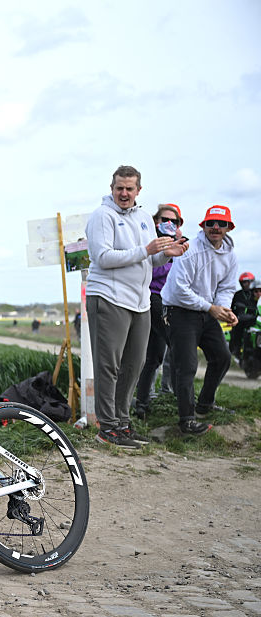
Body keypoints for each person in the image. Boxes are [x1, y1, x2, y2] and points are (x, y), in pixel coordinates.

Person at [85, 165, 186, 449]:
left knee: (135, 365)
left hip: (139, 301)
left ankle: (123, 423)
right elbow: (102, 257)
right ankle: (107, 427)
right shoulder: (101, 216)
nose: (124, 193)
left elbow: (149, 260)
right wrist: (147, 250)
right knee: (109, 366)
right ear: (112, 188)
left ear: (139, 190)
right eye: (119, 188)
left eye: (130, 189)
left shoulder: (143, 217)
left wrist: (167, 254)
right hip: (108, 297)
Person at [160, 205, 240, 435]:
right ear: (203, 226)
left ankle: (204, 405)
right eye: (211, 223)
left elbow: (227, 286)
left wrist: (224, 309)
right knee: (187, 366)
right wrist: (211, 308)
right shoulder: (190, 249)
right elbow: (179, 290)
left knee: (222, 357)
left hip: (206, 310)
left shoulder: (230, 255)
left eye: (221, 224)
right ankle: (186, 420)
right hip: (179, 311)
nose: (215, 228)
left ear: (229, 228)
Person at [133, 204, 184, 419]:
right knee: (178, 345)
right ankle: (183, 403)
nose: (169, 224)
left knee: (154, 356)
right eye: (164, 219)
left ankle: (142, 404)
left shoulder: (182, 244)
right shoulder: (149, 240)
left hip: (172, 300)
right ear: (156, 221)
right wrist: (168, 255)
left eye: (175, 221)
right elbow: (152, 269)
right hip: (152, 297)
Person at [229, 271, 256, 359]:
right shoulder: (237, 295)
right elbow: (231, 308)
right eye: (244, 282)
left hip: (254, 320)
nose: (246, 284)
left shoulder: (256, 293)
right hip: (240, 320)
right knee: (236, 333)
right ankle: (235, 353)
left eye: (248, 282)